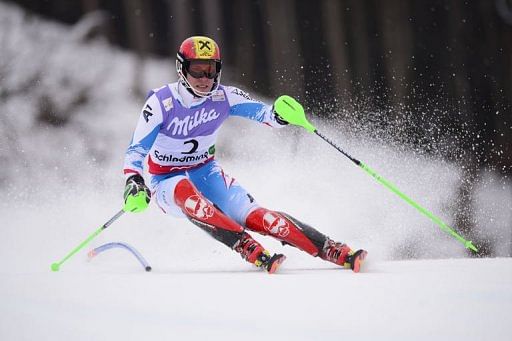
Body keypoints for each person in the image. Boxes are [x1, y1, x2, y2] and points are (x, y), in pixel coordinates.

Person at [123, 36, 367, 274]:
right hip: (166, 181)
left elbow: (266, 115)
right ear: (181, 69)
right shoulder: (160, 102)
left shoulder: (224, 97)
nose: (204, 79)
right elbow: (136, 149)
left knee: (261, 218)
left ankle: (333, 249)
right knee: (188, 194)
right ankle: (246, 246)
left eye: (211, 70)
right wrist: (134, 180)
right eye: (196, 70)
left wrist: (281, 114)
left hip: (205, 172)